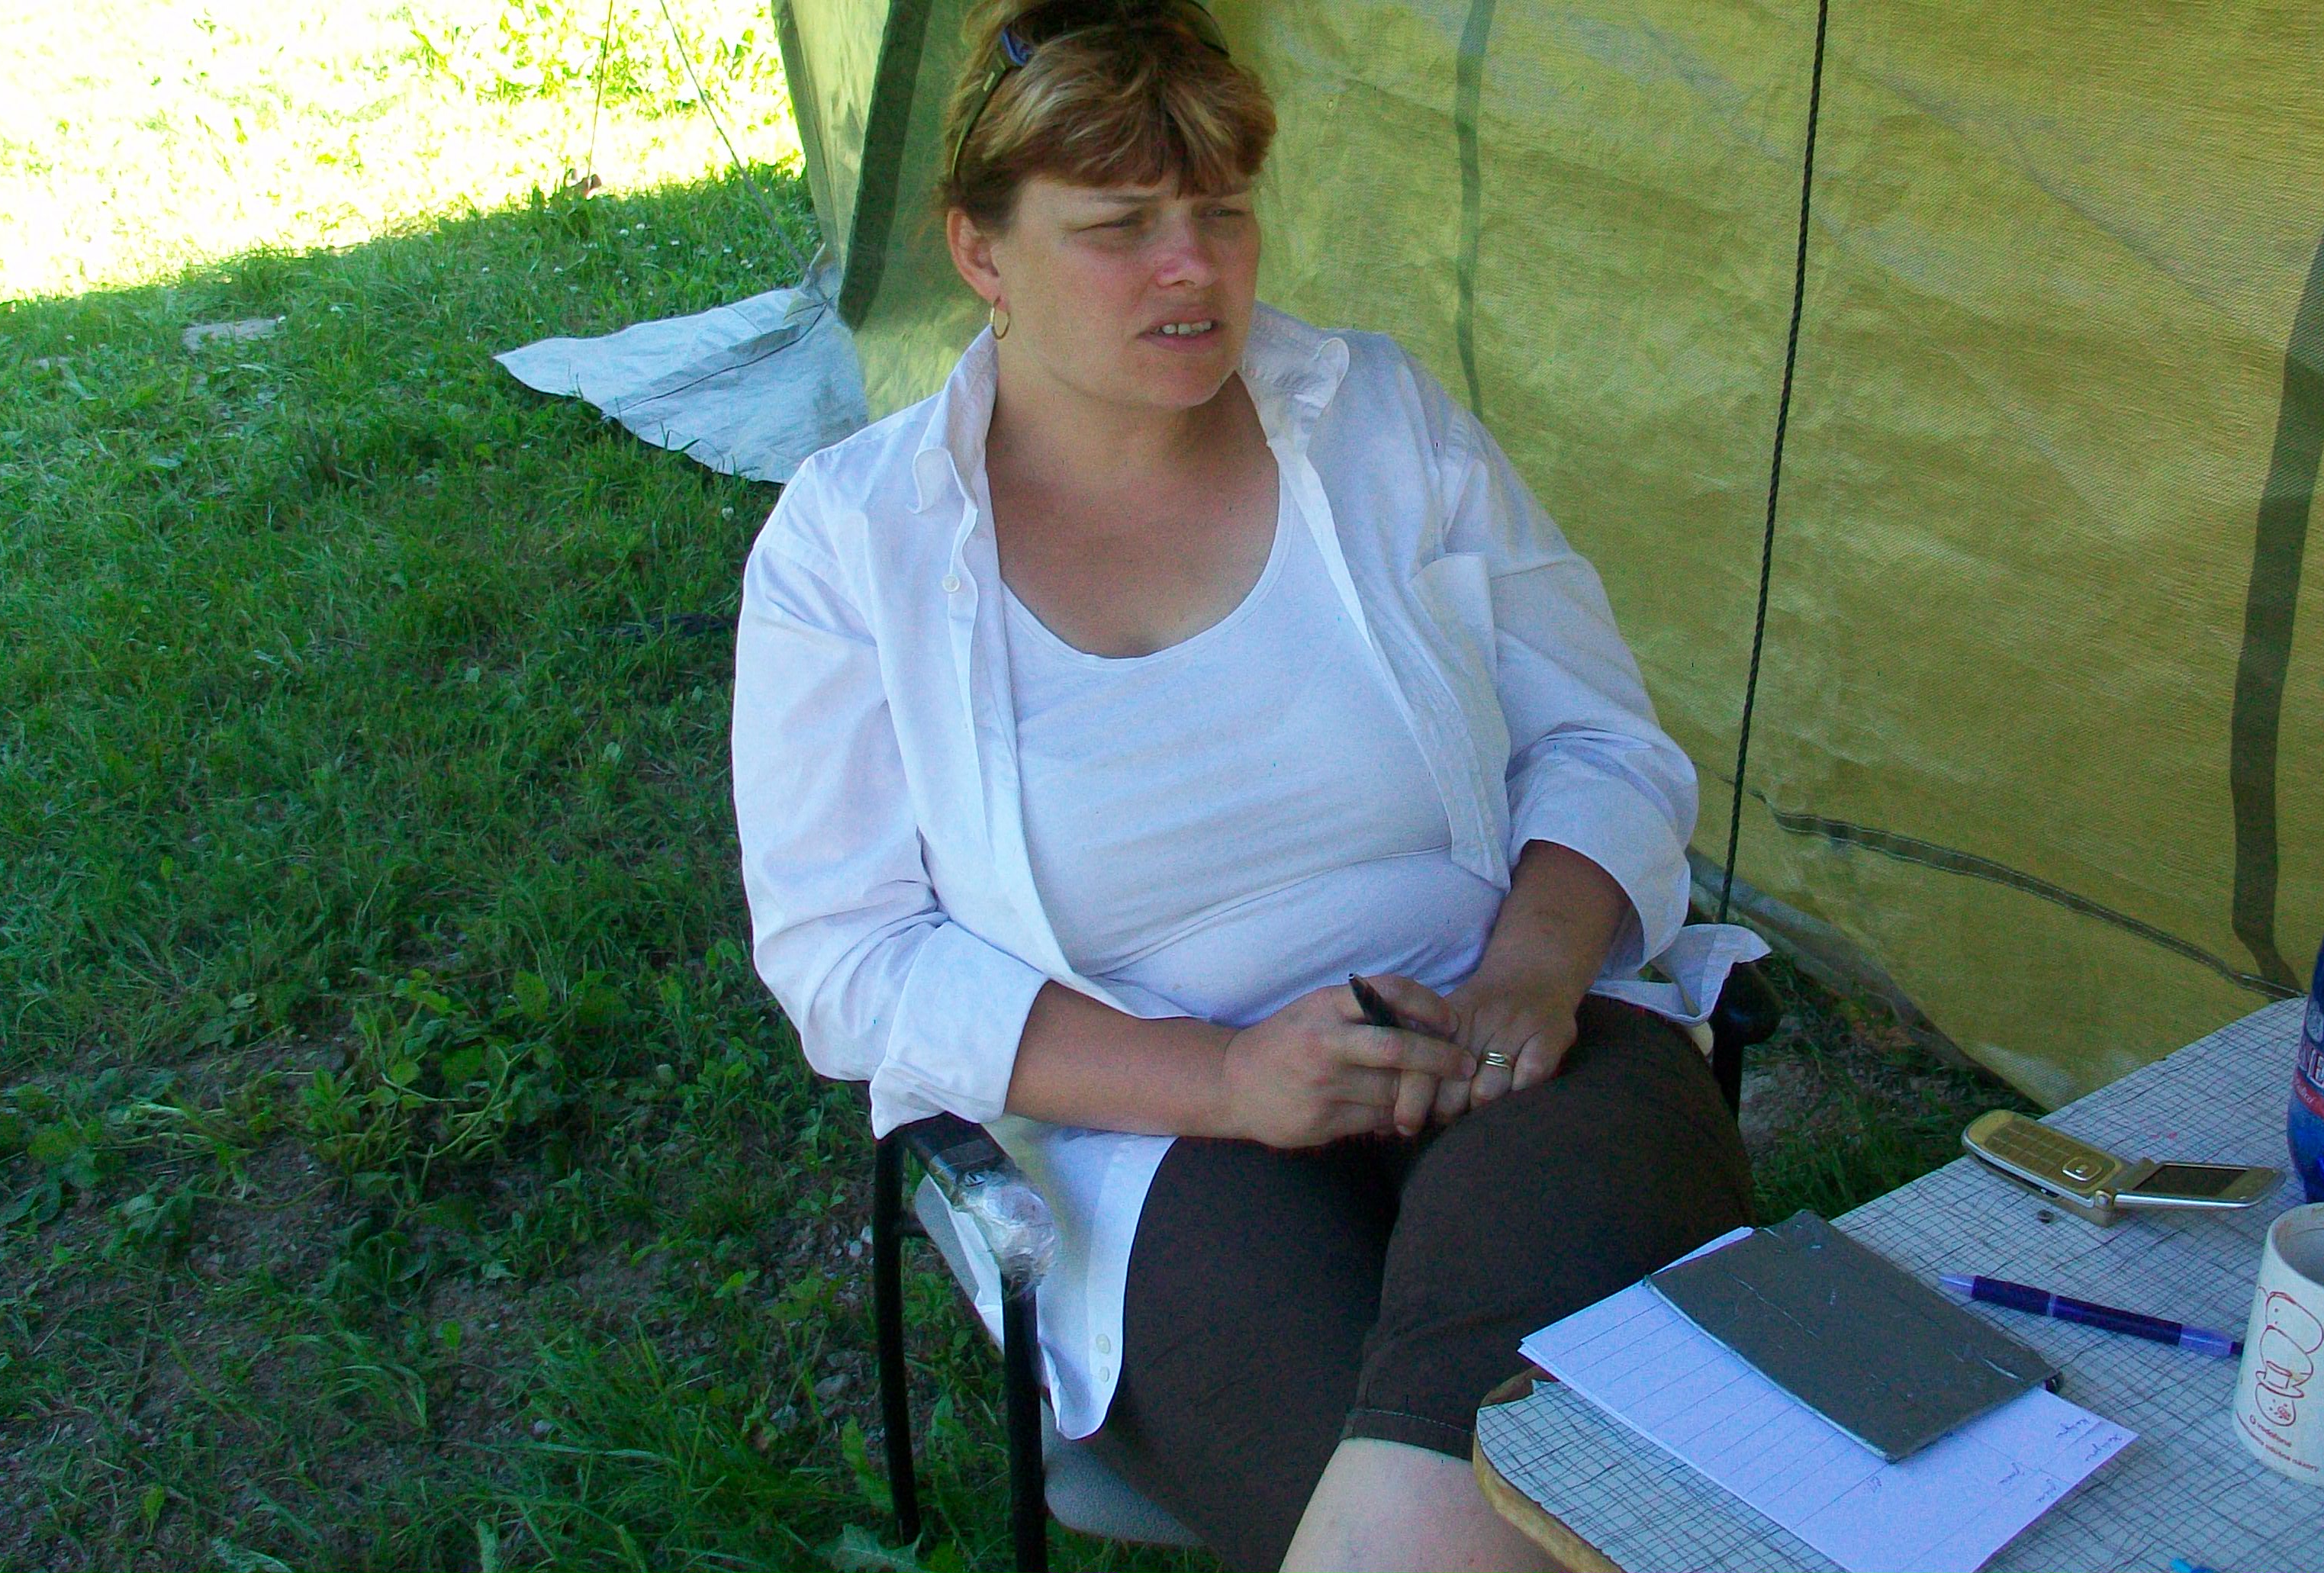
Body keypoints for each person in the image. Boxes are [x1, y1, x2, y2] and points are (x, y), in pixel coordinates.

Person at [731, 2, 1762, 1566]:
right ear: (978, 250)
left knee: (1502, 1433)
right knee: (1550, 1501)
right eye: (1119, 226)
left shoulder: (1375, 420)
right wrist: (1219, 1078)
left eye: (1221, 211)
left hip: (1502, 1035)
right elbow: (844, 954)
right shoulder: (854, 543)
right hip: (1150, 1133)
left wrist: (1531, 973)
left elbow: (1603, 742)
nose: (1192, 268)